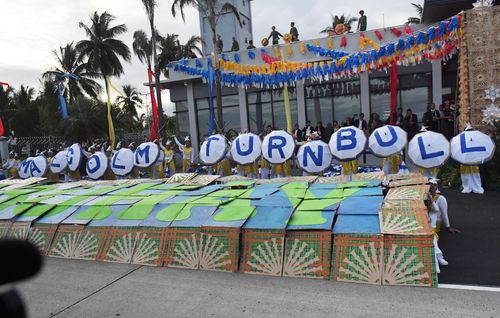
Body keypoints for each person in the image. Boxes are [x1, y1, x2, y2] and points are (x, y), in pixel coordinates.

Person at [459, 125, 485, 194]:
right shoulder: (463, 137)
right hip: (469, 158)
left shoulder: (461, 137)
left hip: (468, 158)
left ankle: (470, 187)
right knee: (470, 174)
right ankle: (471, 187)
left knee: (472, 174)